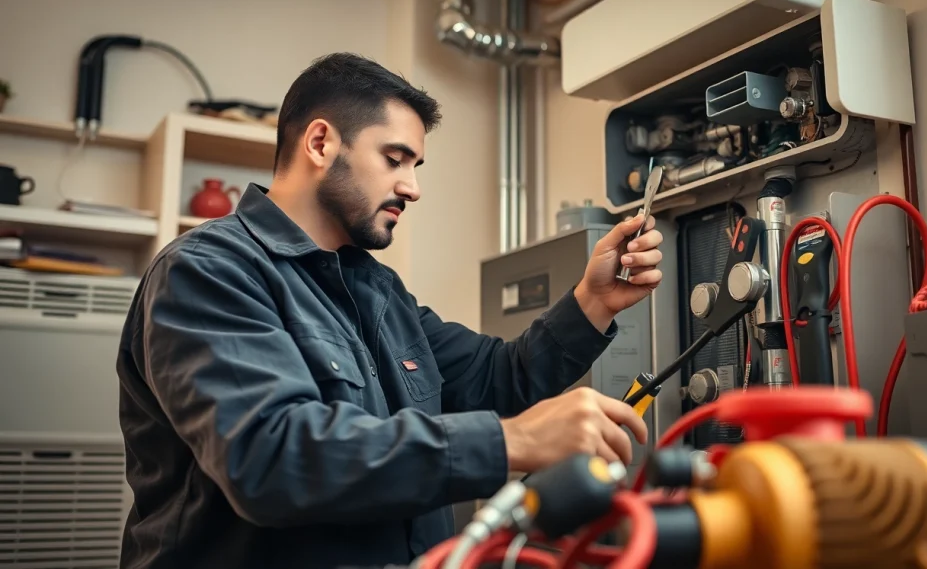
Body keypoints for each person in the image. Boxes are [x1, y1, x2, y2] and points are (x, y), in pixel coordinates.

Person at [114, 52, 665, 569]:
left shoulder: (377, 289)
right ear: (322, 142)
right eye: (395, 158)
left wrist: (593, 302)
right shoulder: (208, 271)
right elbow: (271, 458)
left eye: (416, 164)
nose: (413, 187)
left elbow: (496, 378)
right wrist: (513, 441)